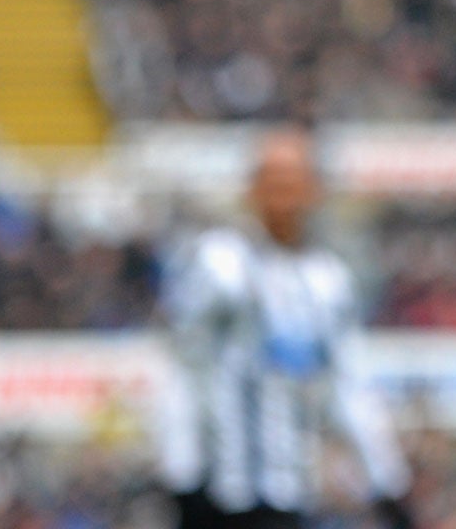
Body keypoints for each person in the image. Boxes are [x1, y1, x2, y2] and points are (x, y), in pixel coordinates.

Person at [158, 128, 415, 529]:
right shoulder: (221, 264)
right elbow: (182, 371)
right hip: (221, 495)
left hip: (290, 490)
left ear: (313, 189)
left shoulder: (327, 281)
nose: (283, 192)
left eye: (293, 179)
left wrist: (387, 485)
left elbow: (347, 388)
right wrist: (182, 473)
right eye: (272, 178)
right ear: (252, 189)